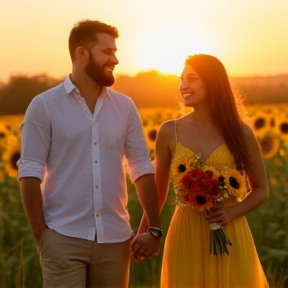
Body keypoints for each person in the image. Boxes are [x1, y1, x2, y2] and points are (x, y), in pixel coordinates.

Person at [17, 19, 162, 288]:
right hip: (63, 237)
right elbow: (29, 174)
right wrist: (43, 237)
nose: (115, 59)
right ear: (81, 53)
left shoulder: (125, 107)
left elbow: (141, 167)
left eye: (115, 52)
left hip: (116, 241)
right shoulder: (44, 106)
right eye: (107, 52)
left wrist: (154, 226)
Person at [133, 54, 269, 287]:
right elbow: (158, 191)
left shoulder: (241, 133)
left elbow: (262, 190)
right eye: (182, 79)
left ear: (213, 82)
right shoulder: (170, 131)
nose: (183, 85)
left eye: (192, 79)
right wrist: (145, 233)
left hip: (231, 231)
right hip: (185, 233)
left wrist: (231, 213)